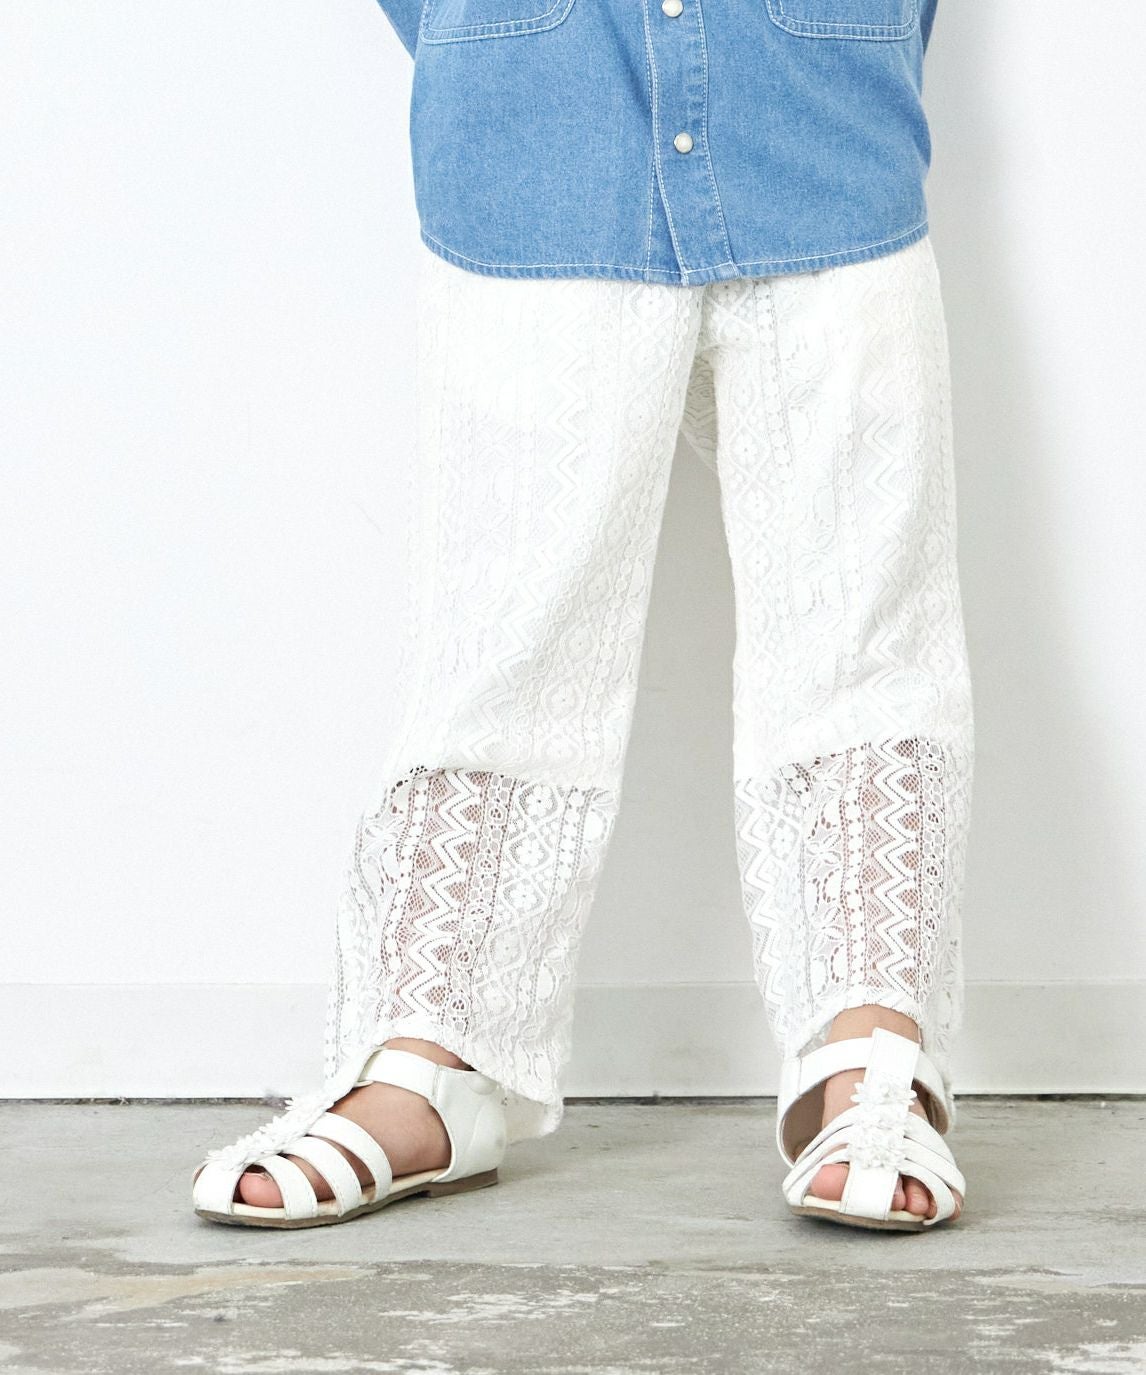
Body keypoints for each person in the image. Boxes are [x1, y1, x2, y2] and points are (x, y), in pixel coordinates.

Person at [191, 0, 972, 1234]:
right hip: (535, 116)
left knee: (863, 606)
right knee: (502, 625)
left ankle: (874, 1040)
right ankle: (430, 1047)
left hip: (819, 100)